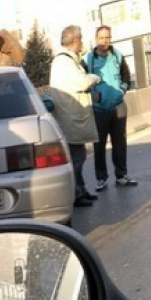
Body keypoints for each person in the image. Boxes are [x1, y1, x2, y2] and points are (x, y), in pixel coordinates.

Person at [49, 25, 101, 208]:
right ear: (75, 41)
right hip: (70, 118)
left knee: (78, 157)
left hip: (70, 117)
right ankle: (76, 194)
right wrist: (95, 78)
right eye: (80, 39)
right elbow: (81, 81)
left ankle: (81, 190)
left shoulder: (67, 60)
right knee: (76, 159)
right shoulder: (64, 61)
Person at [85, 25, 137, 191]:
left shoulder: (117, 55)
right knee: (99, 145)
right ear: (96, 39)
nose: (104, 41)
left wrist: (122, 90)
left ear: (111, 38)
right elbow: (81, 80)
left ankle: (121, 175)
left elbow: (127, 76)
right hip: (99, 109)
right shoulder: (88, 59)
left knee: (120, 142)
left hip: (118, 106)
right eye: (101, 38)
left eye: (107, 37)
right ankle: (101, 178)